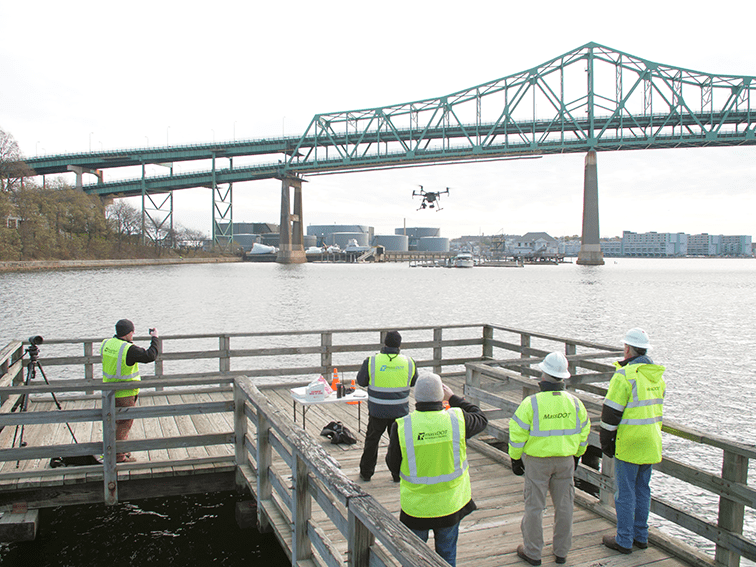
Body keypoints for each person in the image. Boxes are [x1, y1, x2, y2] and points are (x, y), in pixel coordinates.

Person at [385, 373, 488, 567]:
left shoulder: (403, 426)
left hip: (416, 507)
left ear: (416, 397)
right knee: (446, 555)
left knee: (413, 557)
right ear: (440, 396)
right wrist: (453, 398)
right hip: (450, 503)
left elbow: (393, 464)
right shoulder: (457, 419)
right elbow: (481, 418)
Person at [509, 352, 590, 566]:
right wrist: (578, 455)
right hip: (565, 460)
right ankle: (561, 552)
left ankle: (533, 552)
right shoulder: (575, 403)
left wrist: (515, 458)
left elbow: (517, 434)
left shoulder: (531, 403)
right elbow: (584, 431)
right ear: (563, 376)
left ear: (544, 373)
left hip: (537, 461)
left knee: (534, 507)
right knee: (564, 507)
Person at [600, 328, 666, 554]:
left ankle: (624, 539)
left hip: (629, 442)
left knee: (625, 493)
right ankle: (641, 536)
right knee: (643, 490)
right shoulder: (656, 376)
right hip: (651, 442)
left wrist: (606, 440)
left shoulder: (625, 375)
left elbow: (610, 413)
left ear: (627, 349)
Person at [356, 330, 418, 481]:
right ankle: (397, 474)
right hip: (400, 411)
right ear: (399, 345)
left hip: (378, 410)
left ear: (385, 343)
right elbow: (414, 382)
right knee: (398, 442)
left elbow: (361, 381)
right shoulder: (409, 362)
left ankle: (366, 473)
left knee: (372, 440)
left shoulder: (372, 361)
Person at [101, 319, 159, 463]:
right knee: (124, 424)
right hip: (125, 394)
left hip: (108, 392)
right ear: (128, 333)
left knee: (111, 423)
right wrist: (155, 338)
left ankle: (113, 451)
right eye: (132, 332)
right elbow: (150, 356)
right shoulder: (128, 349)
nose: (133, 335)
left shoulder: (106, 344)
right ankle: (119, 457)